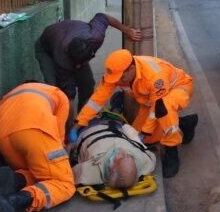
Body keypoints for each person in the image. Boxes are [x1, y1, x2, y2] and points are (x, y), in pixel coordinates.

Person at [71, 49, 195, 178]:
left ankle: (172, 152)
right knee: (140, 139)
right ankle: (186, 123)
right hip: (152, 103)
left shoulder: (155, 76)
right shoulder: (117, 73)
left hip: (178, 89)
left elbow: (157, 110)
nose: (118, 81)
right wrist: (78, 124)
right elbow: (97, 100)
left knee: (164, 110)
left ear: (131, 69)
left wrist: (145, 131)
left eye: (121, 77)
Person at [0, 82, 75, 212]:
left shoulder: (15, 93)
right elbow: (58, 137)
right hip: (33, 128)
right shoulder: (60, 95)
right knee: (64, 184)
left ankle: (16, 180)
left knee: (38, 168)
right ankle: (13, 201)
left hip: (0, 138)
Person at [35, 13, 142, 113]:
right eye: (76, 63)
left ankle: (81, 117)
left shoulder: (95, 36)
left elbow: (103, 17)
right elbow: (69, 95)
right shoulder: (62, 59)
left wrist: (127, 30)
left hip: (68, 34)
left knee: (88, 84)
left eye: (81, 63)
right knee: (56, 91)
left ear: (90, 52)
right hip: (46, 49)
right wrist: (70, 129)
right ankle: (59, 126)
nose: (77, 67)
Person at [69, 113, 156, 189]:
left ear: (112, 166)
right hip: (116, 125)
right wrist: (136, 139)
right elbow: (151, 156)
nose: (123, 152)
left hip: (89, 127)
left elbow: (67, 175)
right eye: (129, 156)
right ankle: (114, 110)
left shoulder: (91, 171)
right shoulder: (143, 162)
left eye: (122, 157)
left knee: (85, 111)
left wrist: (70, 147)